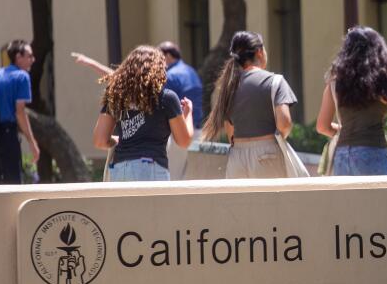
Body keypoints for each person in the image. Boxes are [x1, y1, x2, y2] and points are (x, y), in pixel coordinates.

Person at [316, 26, 387, 176]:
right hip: (373, 153)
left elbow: (322, 127)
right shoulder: (385, 82)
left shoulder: (335, 82)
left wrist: (345, 130)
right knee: (377, 200)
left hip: (343, 154)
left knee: (348, 200)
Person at [201, 31, 297, 179]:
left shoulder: (228, 87)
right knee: (272, 202)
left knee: (240, 202)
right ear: (259, 52)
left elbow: (230, 132)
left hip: (237, 157)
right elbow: (284, 123)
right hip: (268, 154)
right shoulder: (275, 81)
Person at [93, 46, 194, 181]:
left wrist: (120, 140)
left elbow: (100, 141)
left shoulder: (116, 97)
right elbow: (184, 141)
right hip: (151, 167)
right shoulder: (166, 98)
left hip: (119, 168)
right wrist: (188, 114)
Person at [0, 40, 39, 184]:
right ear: (18, 57)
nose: (33, 60)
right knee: (13, 183)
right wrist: (32, 142)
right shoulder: (22, 77)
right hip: (7, 133)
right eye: (29, 56)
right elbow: (20, 112)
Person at [158, 41, 203, 180]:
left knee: (174, 176)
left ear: (168, 56)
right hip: (197, 131)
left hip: (180, 133)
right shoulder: (191, 71)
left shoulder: (170, 75)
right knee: (190, 177)